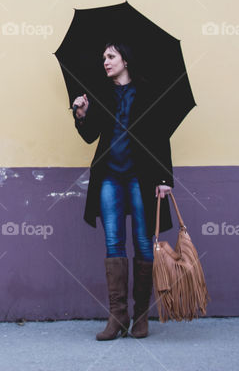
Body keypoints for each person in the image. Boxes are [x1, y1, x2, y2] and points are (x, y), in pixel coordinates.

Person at [71, 41, 173, 340]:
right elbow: (90, 137)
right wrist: (81, 114)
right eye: (103, 57)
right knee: (113, 243)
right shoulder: (100, 93)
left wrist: (165, 177)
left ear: (125, 60)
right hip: (110, 178)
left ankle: (141, 316)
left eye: (111, 56)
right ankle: (117, 316)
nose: (105, 61)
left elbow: (161, 135)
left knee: (143, 243)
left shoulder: (148, 91)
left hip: (141, 179)